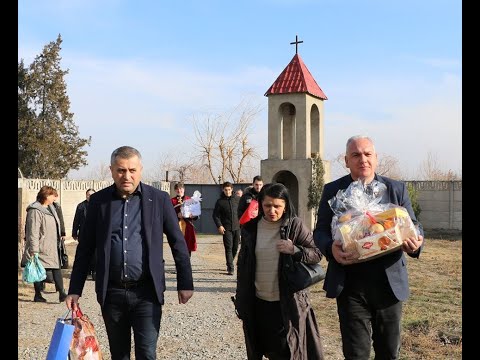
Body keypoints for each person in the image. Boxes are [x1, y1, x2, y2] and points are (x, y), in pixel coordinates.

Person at [65, 145, 194, 360]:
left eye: (132, 170)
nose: (127, 175)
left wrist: (185, 282)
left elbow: (178, 243)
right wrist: (74, 289)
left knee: (146, 353)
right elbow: (86, 248)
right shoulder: (99, 202)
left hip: (147, 293)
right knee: (119, 354)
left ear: (140, 170)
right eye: (121, 170)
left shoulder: (159, 200)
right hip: (112, 293)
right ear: (112, 170)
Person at [313, 135, 425, 360]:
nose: (362, 159)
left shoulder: (395, 189)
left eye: (367, 154)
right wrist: (330, 249)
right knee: (356, 354)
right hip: (351, 285)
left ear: (376, 158)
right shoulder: (333, 191)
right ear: (346, 160)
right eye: (355, 155)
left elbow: (413, 225)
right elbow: (321, 231)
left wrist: (416, 242)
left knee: (389, 352)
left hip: (389, 285)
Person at [234, 182, 325, 359]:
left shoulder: (295, 226)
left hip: (287, 304)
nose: (272, 210)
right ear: (260, 204)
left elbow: (317, 253)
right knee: (259, 348)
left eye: (277, 206)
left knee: (286, 351)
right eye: (267, 205)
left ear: (285, 206)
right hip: (258, 303)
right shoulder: (250, 228)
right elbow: (242, 266)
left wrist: (295, 250)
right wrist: (241, 299)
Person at [22, 185, 68, 303]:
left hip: (51, 245)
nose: (55, 198)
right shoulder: (35, 210)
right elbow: (33, 231)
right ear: (47, 195)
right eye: (54, 195)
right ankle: (38, 294)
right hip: (40, 246)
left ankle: (62, 293)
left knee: (56, 268)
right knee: (38, 269)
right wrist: (34, 249)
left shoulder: (51, 208)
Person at [212, 181, 240, 275]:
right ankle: (230, 268)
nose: (227, 191)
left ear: (232, 189)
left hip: (237, 228)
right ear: (223, 190)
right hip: (226, 228)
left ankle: (230, 261)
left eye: (229, 190)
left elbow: (242, 212)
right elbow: (215, 215)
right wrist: (219, 225)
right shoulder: (220, 202)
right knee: (228, 248)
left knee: (235, 247)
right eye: (225, 190)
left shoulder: (237, 199)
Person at [72, 188, 96, 279]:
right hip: (83, 233)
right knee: (85, 253)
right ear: (86, 195)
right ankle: (86, 272)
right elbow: (76, 220)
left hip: (96, 234)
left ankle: (95, 272)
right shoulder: (81, 206)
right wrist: (74, 233)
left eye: (92, 194)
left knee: (95, 254)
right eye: (88, 194)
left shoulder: (99, 205)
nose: (90, 196)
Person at [170, 182, 198, 257]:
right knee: (178, 246)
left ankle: (187, 264)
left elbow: (196, 214)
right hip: (177, 227)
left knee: (188, 246)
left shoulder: (190, 200)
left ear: (184, 189)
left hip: (188, 226)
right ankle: (179, 265)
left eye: (181, 188)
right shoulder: (172, 201)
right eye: (177, 189)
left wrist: (193, 216)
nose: (179, 190)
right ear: (175, 190)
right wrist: (177, 215)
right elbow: (169, 215)